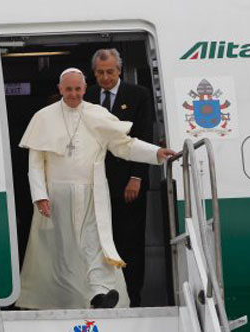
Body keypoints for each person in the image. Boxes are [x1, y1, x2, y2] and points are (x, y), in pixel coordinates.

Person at [15, 68, 174, 310]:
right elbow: (35, 164)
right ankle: (65, 301)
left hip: (91, 192)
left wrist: (155, 153)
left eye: (78, 89)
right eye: (68, 89)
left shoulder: (97, 114)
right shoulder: (43, 117)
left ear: (84, 88)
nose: (73, 94)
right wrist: (40, 195)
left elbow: (124, 146)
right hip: (57, 196)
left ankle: (99, 294)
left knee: (94, 243)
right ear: (60, 89)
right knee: (63, 251)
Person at [84, 48, 154, 306]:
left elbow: (144, 136)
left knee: (130, 241)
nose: (105, 77)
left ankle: (133, 297)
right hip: (96, 182)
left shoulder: (138, 95)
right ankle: (103, 296)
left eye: (110, 72)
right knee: (99, 242)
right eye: (100, 73)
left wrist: (137, 177)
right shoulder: (87, 96)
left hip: (128, 182)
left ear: (119, 70)